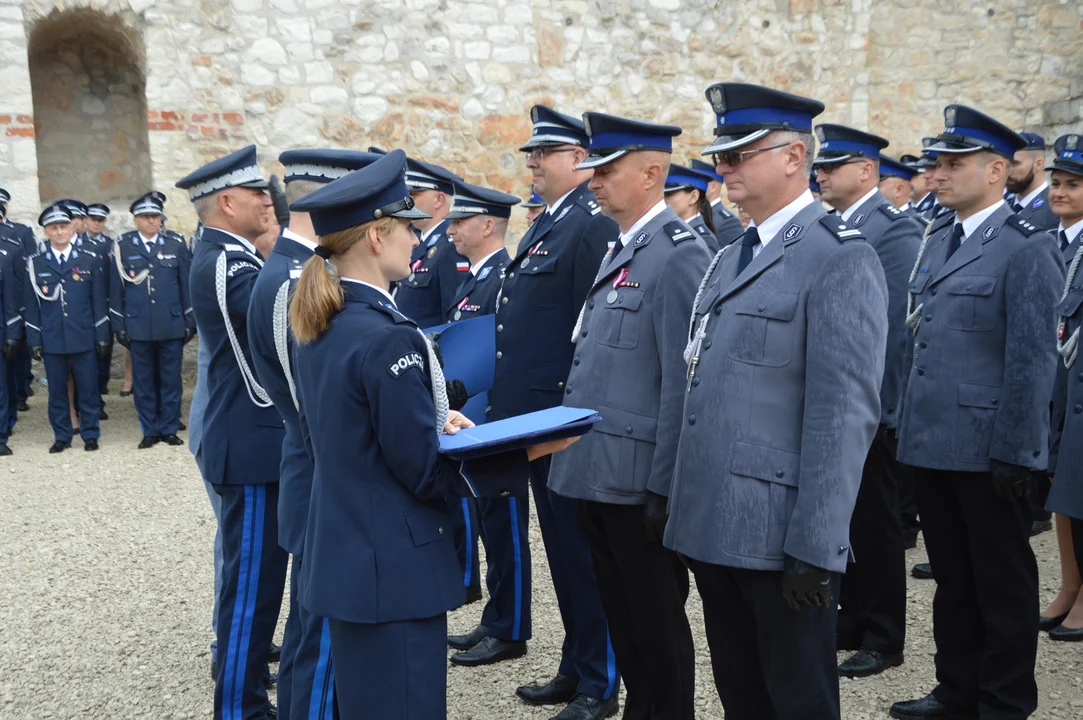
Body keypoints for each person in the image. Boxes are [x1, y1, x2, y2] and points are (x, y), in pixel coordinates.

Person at [287, 148, 564, 719]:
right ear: (375, 238)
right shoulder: (386, 336)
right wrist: (530, 449)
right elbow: (421, 471)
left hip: (347, 558)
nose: (418, 241)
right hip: (392, 568)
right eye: (408, 229)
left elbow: (350, 433)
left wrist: (431, 419)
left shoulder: (322, 320)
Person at [664, 82, 888, 720]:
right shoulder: (734, 253)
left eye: (740, 154)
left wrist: (818, 546)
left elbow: (842, 415)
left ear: (794, 158)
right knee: (742, 694)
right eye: (721, 157)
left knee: (797, 701)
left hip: (779, 531)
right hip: (716, 521)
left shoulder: (838, 258)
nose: (724, 167)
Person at [891, 105, 1063, 720]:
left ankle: (1004, 700)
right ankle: (957, 690)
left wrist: (1020, 450)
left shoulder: (1026, 248)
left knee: (1002, 582)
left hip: (989, 446)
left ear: (996, 170)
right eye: (937, 163)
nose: (938, 174)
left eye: (953, 163)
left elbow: (1032, 359)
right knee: (953, 581)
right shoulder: (939, 239)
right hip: (933, 440)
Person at [547, 111, 707, 720]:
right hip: (597, 470)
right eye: (590, 169)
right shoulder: (624, 247)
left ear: (651, 173)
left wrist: (664, 485)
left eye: (605, 170)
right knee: (624, 618)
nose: (592, 181)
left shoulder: (677, 255)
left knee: (656, 621)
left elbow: (681, 383)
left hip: (639, 478)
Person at [493, 103, 620, 720]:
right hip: (538, 425)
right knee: (564, 554)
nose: (534, 164)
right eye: (532, 155)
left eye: (544, 154)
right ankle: (577, 665)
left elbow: (590, 335)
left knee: (585, 556)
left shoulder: (589, 225)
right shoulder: (553, 222)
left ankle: (602, 680)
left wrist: (576, 420)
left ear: (579, 159)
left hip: (565, 424)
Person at [247, 148, 381, 720]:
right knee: (321, 645)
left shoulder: (296, 272)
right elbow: (314, 406)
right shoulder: (291, 283)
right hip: (323, 481)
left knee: (314, 637)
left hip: (317, 477)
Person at [178, 144, 287, 720]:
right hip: (247, 444)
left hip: (255, 442)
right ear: (227, 202)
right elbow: (273, 326)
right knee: (249, 588)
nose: (268, 200)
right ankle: (239, 707)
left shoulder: (235, 256)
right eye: (256, 194)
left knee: (259, 582)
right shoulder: (226, 262)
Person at [814, 124, 924, 678]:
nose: (821, 175)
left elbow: (894, 332)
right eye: (821, 167)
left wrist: (878, 409)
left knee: (877, 523)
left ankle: (885, 633)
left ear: (866, 172)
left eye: (833, 167)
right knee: (847, 517)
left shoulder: (893, 231)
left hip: (870, 406)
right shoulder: (835, 225)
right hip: (839, 403)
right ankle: (852, 616)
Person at [437, 182, 534, 669]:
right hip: (469, 417)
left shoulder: (502, 277)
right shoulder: (473, 277)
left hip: (492, 416)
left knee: (505, 522)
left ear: (488, 225)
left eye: (460, 221)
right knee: (489, 523)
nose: (450, 229)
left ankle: (511, 627)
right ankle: (497, 616)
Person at [24, 203, 110, 453]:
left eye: (63, 226)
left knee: (88, 387)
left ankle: (90, 433)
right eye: (54, 228)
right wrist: (34, 339)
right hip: (52, 337)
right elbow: (32, 306)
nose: (60, 232)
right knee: (57, 391)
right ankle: (62, 435)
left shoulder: (88, 259)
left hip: (83, 333)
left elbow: (98, 301)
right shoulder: (36, 263)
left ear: (72, 228)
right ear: (46, 232)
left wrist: (102, 334)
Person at [1041, 134, 1083, 641]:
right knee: (1061, 493)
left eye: (1074, 185)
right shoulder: (1051, 240)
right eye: (1057, 182)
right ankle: (1069, 585)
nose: (1060, 192)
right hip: (1056, 387)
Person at [111, 193, 194, 448]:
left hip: (170, 323)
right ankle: (150, 429)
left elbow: (185, 285)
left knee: (170, 379)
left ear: (161, 219)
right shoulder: (123, 246)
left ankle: (169, 427)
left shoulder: (175, 243)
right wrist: (119, 325)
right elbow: (116, 291)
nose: (151, 221)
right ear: (135, 220)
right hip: (138, 325)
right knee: (144, 381)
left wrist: (189, 320)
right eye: (146, 217)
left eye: (155, 216)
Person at [393, 156, 470, 329]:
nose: (407, 202)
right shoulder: (420, 242)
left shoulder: (451, 247)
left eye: (414, 195)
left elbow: (452, 317)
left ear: (439, 200)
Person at [0, 188, 35, 420]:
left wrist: (25, 308)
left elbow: (29, 271)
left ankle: (19, 395)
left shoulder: (20, 232)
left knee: (16, 358)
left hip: (13, 305)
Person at [663, 163, 721, 252]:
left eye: (669, 194)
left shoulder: (704, 239)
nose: (664, 200)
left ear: (693, 197)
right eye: (663, 195)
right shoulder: (673, 230)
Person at [1007, 132, 1058, 232]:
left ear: (1038, 165)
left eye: (1014, 163)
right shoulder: (1004, 205)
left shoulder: (1055, 208)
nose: (1007, 172)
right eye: (1006, 164)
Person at [689, 158, 744, 246]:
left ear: (713, 187)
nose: (692, 188)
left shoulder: (728, 223)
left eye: (699, 183)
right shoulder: (692, 214)